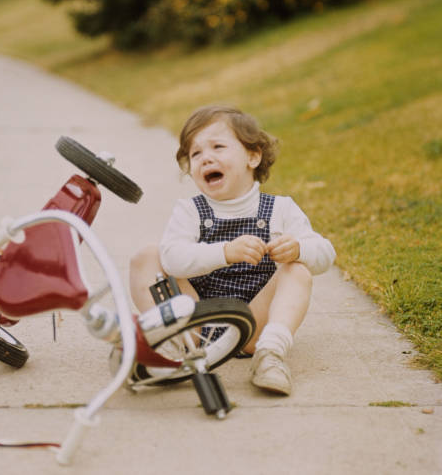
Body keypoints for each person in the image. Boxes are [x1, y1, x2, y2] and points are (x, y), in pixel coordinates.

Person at [130, 104, 336, 396]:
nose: (205, 158)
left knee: (298, 269)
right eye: (195, 153)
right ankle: (172, 345)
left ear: (253, 156)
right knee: (147, 257)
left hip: (252, 328)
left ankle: (270, 353)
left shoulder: (280, 209)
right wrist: (224, 252)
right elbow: (173, 259)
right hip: (195, 325)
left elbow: (326, 254)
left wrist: (298, 248)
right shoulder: (190, 211)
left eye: (217, 146)